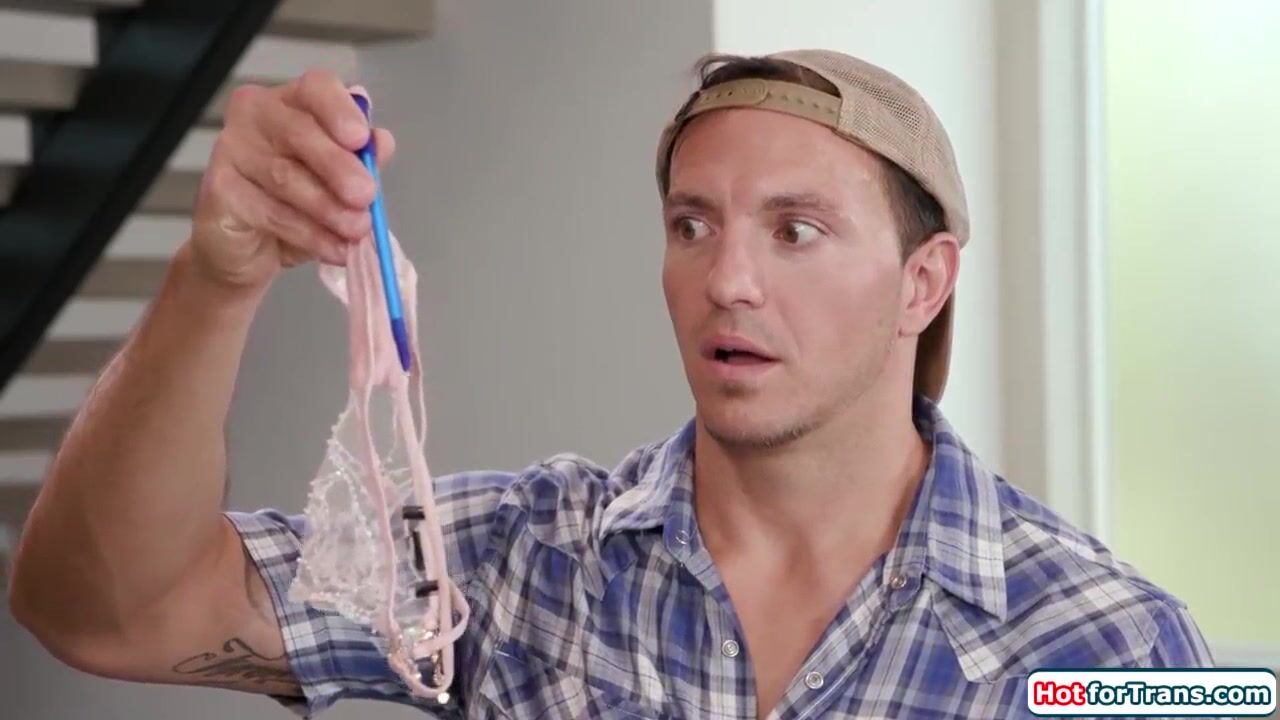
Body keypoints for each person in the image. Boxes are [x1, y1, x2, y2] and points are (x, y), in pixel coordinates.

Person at [8, 49, 1213, 719]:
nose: (725, 280)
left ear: (922, 281)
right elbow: (103, 612)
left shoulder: (1110, 651)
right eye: (692, 225)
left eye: (795, 231)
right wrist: (217, 278)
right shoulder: (520, 563)